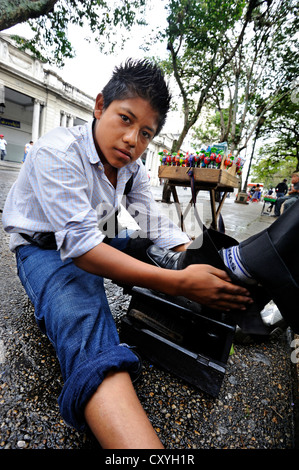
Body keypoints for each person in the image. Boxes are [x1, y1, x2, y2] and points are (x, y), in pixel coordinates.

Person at [2, 59, 299, 449]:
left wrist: (199, 261)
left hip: (96, 236)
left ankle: (227, 278)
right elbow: (82, 250)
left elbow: (155, 225)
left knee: (155, 245)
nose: (132, 140)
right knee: (80, 308)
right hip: (42, 249)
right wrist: (180, 282)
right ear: (99, 106)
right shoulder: (55, 152)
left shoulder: (132, 167)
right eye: (125, 119)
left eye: (145, 133)